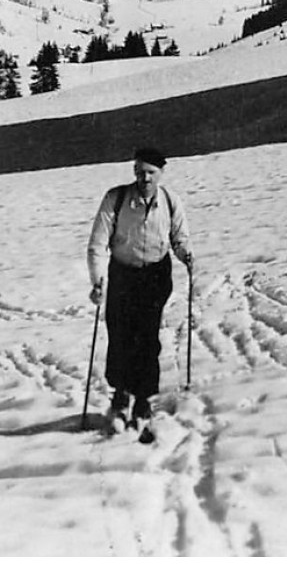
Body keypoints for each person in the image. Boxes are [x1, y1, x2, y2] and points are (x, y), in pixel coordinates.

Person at [87, 145, 193, 435]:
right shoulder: (116, 199)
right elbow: (97, 245)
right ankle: (121, 395)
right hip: (123, 274)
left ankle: (144, 400)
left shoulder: (171, 201)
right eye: (139, 172)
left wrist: (186, 254)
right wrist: (97, 281)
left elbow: (178, 237)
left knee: (147, 338)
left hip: (155, 276)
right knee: (120, 333)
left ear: (160, 173)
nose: (144, 178)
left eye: (150, 172)